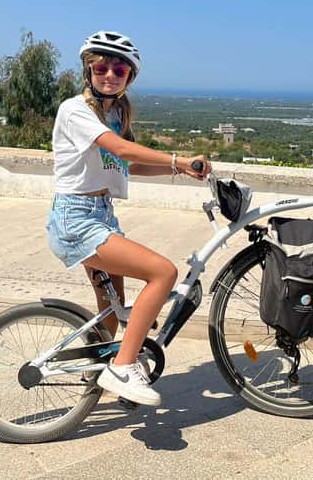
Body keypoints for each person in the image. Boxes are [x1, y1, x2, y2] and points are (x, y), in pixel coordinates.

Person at [46, 31, 211, 406]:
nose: (109, 75)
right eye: (100, 67)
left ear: (129, 77)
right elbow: (117, 147)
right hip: (75, 218)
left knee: (112, 310)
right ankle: (123, 367)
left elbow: (128, 163)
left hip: (101, 215)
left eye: (118, 69)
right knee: (163, 272)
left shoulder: (117, 113)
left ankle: (99, 372)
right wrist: (177, 159)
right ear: (88, 70)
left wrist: (180, 172)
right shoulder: (74, 110)